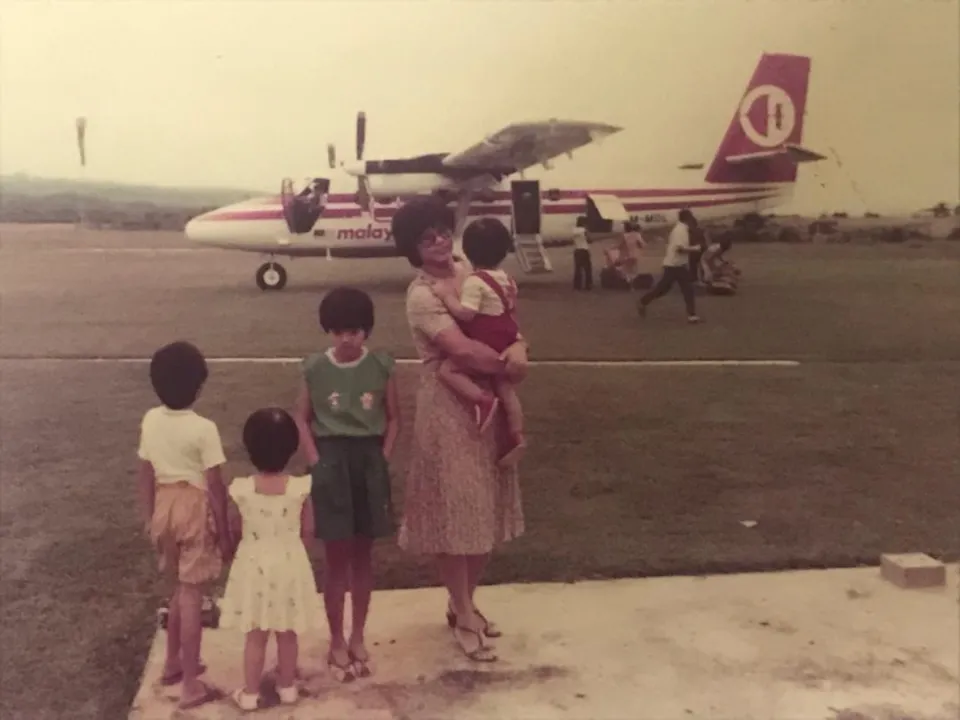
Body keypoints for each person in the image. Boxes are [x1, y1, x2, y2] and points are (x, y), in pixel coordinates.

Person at [391, 196, 527, 664]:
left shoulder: (471, 270)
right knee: (455, 512)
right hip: (448, 406)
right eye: (426, 238)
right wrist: (508, 362)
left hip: (488, 398)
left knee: (485, 507)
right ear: (413, 248)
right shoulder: (421, 294)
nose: (439, 242)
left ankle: (462, 604)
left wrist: (520, 348)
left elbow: (507, 320)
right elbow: (464, 351)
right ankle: (465, 612)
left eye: (442, 232)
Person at [293, 286, 400, 682]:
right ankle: (335, 638)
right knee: (336, 557)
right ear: (328, 332)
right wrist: (316, 461)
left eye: (353, 331)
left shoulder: (382, 366)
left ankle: (358, 635)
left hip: (368, 459)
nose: (346, 339)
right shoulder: (315, 368)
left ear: (365, 331)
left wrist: (383, 456)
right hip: (331, 460)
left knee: (363, 555)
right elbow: (301, 417)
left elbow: (394, 417)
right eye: (337, 332)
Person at [136, 341, 231, 710]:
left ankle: (174, 662)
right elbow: (216, 488)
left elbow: (145, 472)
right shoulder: (203, 428)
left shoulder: (150, 419)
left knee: (178, 588)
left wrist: (149, 518)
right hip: (193, 506)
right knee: (193, 595)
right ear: (199, 385)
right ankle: (191, 683)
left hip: (164, 506)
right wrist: (223, 533)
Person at [219, 408, 324, 712]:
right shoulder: (300, 488)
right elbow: (309, 529)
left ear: (249, 448)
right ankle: (288, 686)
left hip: (254, 566)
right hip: (290, 563)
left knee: (256, 633)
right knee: (287, 630)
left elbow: (236, 528)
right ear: (292, 448)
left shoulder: (242, 489)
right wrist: (293, 552)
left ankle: (250, 693)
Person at [432, 217, 527, 467]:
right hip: (508, 334)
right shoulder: (506, 278)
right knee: (505, 387)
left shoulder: (475, 281)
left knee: (447, 369)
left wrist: (446, 296)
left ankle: (481, 400)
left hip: (489, 337)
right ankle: (516, 434)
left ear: (468, 250)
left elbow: (466, 313)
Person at [637, 209, 702, 323]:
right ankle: (691, 315)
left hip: (675, 264)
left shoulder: (680, 229)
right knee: (682, 289)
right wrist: (695, 248)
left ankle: (643, 302)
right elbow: (680, 249)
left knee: (665, 289)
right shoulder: (680, 231)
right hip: (675, 265)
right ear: (688, 218)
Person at [571, 219, 593, 290]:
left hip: (577, 250)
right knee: (587, 269)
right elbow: (590, 239)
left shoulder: (574, 230)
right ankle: (588, 285)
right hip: (584, 250)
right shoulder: (584, 230)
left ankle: (577, 285)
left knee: (578, 269)